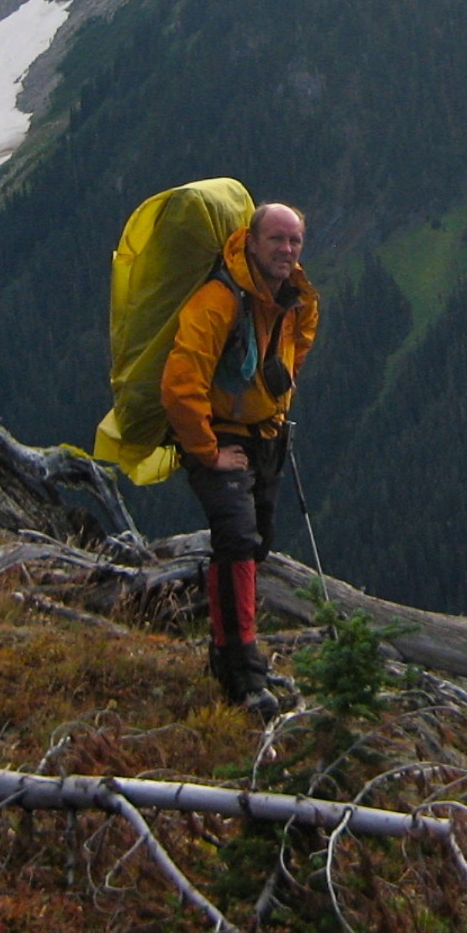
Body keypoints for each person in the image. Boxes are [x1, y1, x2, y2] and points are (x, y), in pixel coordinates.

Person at [161, 199, 319, 705]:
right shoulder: (218, 300)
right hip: (222, 435)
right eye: (276, 239)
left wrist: (275, 402)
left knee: (257, 544)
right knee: (236, 539)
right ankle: (243, 675)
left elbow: (299, 346)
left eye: (294, 240)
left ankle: (225, 648)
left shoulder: (294, 297)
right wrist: (208, 453)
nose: (287, 249)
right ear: (250, 242)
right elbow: (180, 385)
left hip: (265, 436)